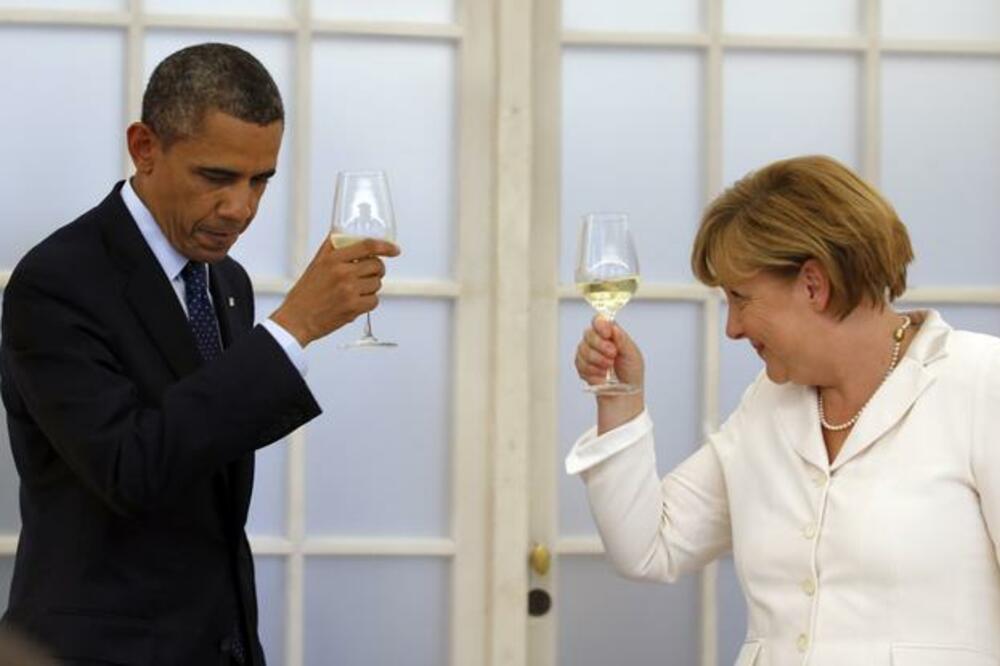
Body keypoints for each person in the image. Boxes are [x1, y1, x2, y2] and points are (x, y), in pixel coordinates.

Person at [0, 43, 398, 665]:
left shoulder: (226, 283)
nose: (241, 208)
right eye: (217, 177)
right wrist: (292, 328)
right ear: (144, 147)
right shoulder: (56, 280)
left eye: (259, 180)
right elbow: (132, 470)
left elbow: (207, 470)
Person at [567, 155, 1000, 666]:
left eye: (740, 298)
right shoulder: (768, 406)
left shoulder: (979, 383)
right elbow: (648, 547)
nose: (731, 328)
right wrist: (620, 397)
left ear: (813, 285)